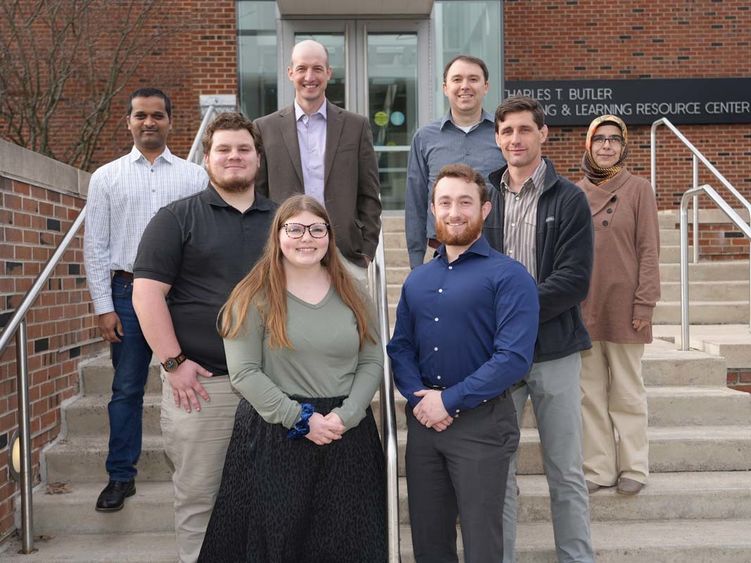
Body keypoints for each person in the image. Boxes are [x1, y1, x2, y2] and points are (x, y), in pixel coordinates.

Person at [198, 195, 386, 562]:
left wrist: (345, 416)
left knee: (347, 543)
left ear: (329, 236)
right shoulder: (252, 295)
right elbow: (244, 373)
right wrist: (302, 420)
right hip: (277, 434)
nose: (307, 238)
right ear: (278, 235)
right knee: (277, 546)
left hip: (345, 434)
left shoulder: (353, 291)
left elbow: (372, 359)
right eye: (295, 228)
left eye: (317, 229)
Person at [132, 112, 276, 563]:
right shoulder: (175, 219)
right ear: (207, 159)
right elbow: (146, 296)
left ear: (258, 158)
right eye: (223, 150)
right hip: (204, 387)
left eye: (243, 149)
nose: (234, 157)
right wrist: (173, 363)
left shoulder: (285, 219)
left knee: (273, 501)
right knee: (200, 499)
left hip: (278, 385)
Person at [388, 163, 539, 563]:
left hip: (482, 425)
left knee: (482, 543)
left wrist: (448, 400)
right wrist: (421, 399)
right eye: (445, 202)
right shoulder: (417, 280)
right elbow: (400, 347)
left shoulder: (509, 276)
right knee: (429, 540)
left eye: (465, 202)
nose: (454, 212)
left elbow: (513, 358)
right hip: (425, 427)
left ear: (485, 210)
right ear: (433, 210)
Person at [83, 87, 207, 513]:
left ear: (171, 121)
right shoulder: (106, 178)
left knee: (195, 382)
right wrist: (103, 306)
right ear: (129, 121)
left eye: (157, 115)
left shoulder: (194, 177)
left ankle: (200, 471)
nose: (149, 122)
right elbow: (96, 245)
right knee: (126, 388)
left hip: (183, 292)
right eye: (141, 116)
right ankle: (120, 476)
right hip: (126, 293)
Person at [483, 96, 596, 563]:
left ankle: (576, 557)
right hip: (495, 358)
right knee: (497, 472)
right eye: (507, 131)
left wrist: (513, 314)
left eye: (525, 130)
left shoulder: (569, 198)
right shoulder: (482, 197)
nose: (515, 139)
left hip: (555, 351)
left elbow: (573, 281)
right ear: (497, 138)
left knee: (566, 470)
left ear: (543, 134)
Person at [577, 114, 660, 496]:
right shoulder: (574, 193)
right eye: (600, 139)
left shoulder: (639, 189)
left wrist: (645, 304)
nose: (607, 145)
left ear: (624, 146)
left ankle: (634, 468)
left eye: (614, 139)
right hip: (584, 305)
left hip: (626, 306)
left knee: (627, 390)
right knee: (589, 393)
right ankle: (598, 468)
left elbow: (648, 250)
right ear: (589, 145)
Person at [254, 39, 381, 283]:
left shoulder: (356, 126)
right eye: (301, 69)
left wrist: (366, 250)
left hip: (345, 252)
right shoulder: (264, 128)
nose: (309, 76)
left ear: (328, 73)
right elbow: (259, 195)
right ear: (290, 73)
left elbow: (369, 194)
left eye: (317, 69)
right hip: (286, 253)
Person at [405, 55, 504, 269]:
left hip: (495, 250)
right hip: (442, 252)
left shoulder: (503, 135)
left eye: (473, 79)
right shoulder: (424, 138)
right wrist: (416, 262)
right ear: (445, 87)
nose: (465, 86)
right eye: (457, 79)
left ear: (485, 87)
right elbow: (415, 202)